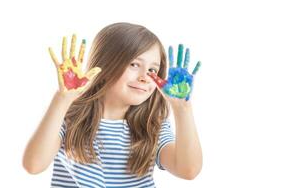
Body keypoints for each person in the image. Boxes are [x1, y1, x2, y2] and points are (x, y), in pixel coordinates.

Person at [22, 22, 203, 188]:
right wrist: (62, 99)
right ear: (105, 65)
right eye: (134, 64)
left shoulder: (152, 125)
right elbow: (34, 165)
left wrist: (182, 108)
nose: (144, 76)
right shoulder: (69, 118)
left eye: (152, 70)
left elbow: (188, 170)